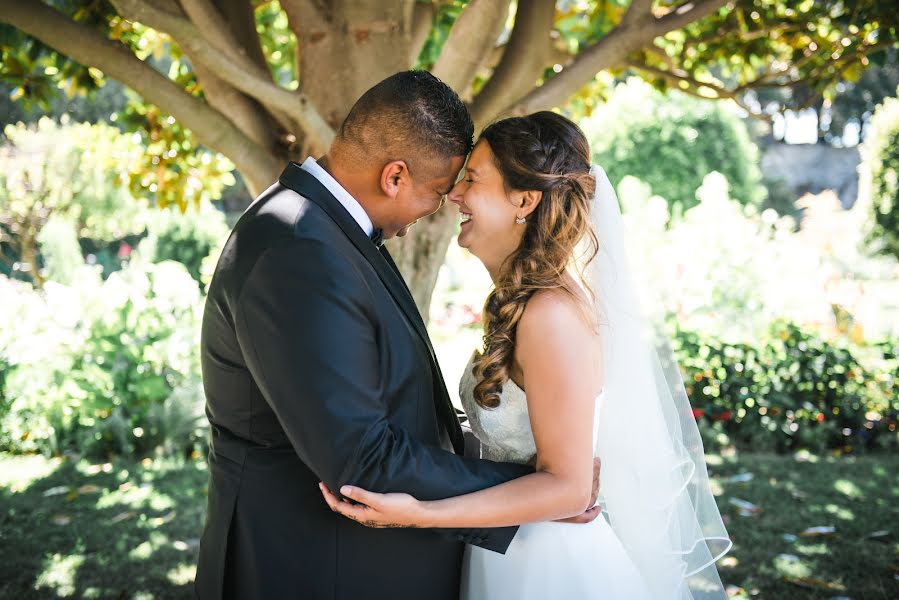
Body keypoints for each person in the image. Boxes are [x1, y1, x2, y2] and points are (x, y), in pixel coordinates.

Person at [194, 71, 599, 600]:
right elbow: (361, 455)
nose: (445, 203)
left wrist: (548, 488)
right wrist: (538, 493)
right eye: (439, 190)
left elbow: (393, 403)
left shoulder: (322, 233)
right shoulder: (298, 246)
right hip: (310, 568)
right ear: (394, 177)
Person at [321, 111, 733, 599]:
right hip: (508, 550)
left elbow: (569, 488)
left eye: (472, 179)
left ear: (524, 199)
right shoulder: (524, 306)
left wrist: (422, 513)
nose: (453, 196)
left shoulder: (550, 315)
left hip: (550, 568)